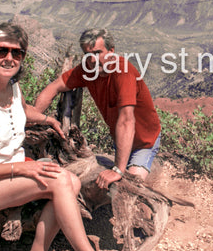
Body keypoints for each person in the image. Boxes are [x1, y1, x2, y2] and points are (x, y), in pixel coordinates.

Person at [0, 23, 134, 251]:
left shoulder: (11, 86)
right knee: (59, 182)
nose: (9, 58)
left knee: (72, 181)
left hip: (8, 167)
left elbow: (23, 110)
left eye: (17, 53)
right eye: (1, 51)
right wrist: (20, 170)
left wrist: (48, 119)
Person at [35, 28, 161, 190]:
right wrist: (35, 118)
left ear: (111, 51)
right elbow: (54, 87)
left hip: (144, 142)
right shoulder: (88, 70)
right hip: (121, 140)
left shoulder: (123, 72)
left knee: (131, 186)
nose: (93, 59)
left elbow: (126, 121)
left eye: (97, 53)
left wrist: (118, 170)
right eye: (88, 55)